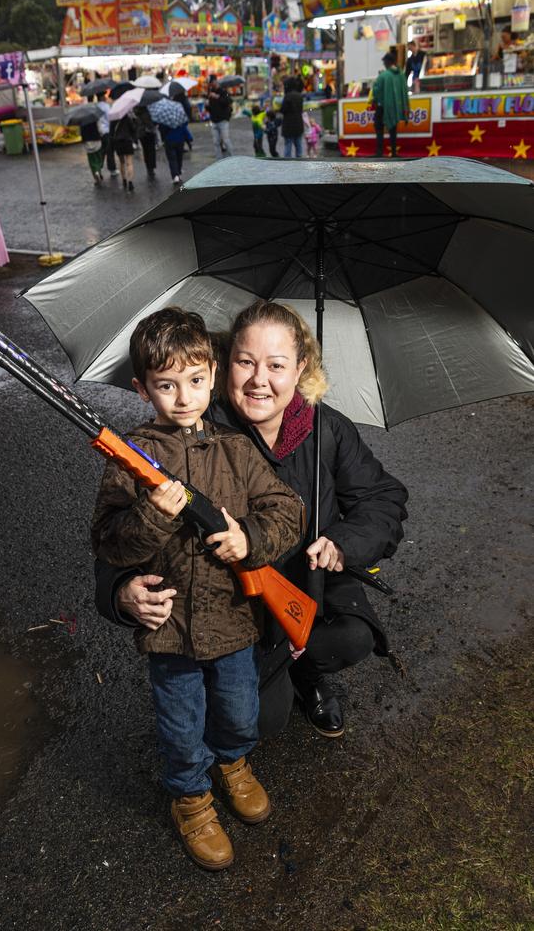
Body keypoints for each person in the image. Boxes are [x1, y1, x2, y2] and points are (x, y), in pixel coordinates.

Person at [94, 302, 408, 744]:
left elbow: (383, 499)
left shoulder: (328, 429)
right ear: (225, 365)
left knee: (352, 637)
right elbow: (116, 532)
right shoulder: (192, 430)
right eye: (246, 362)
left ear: (301, 368)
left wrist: (342, 542)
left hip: (308, 585)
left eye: (276, 365)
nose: (259, 379)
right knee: (258, 721)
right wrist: (120, 590)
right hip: (233, 603)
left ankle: (307, 675)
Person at [90, 308, 303, 871]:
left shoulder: (236, 449)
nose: (183, 397)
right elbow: (109, 541)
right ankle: (192, 798)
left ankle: (233, 764)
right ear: (141, 389)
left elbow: (287, 509)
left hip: (233, 621)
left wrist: (248, 539)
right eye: (165, 384)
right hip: (170, 631)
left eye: (194, 380)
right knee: (180, 725)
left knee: (239, 711)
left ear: (212, 374)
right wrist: (154, 517)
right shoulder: (132, 459)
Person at [372, 52, 410, 158]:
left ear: (388, 62)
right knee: (393, 129)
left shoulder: (383, 75)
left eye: (384, 62)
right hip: (395, 107)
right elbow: (404, 91)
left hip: (382, 106)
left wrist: (376, 100)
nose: (383, 64)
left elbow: (376, 91)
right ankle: (393, 152)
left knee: (379, 128)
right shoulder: (401, 75)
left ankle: (379, 152)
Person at [80, 96, 117, 185]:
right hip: (97, 139)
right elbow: (100, 127)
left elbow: (80, 133)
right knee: (99, 155)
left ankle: (96, 172)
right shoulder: (95, 117)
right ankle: (101, 169)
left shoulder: (82, 121)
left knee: (91, 159)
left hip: (87, 142)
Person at [206, 76, 234, 159]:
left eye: (211, 82)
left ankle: (232, 157)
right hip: (214, 120)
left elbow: (228, 101)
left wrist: (217, 97)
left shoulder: (223, 91)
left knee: (226, 140)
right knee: (216, 142)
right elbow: (211, 108)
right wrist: (207, 106)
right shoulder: (211, 92)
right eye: (209, 83)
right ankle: (219, 160)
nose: (210, 85)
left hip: (223, 120)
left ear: (215, 81)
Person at [110, 111, 138, 192]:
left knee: (122, 162)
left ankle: (124, 180)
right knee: (129, 163)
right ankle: (130, 182)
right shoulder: (127, 118)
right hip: (127, 141)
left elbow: (111, 133)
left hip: (118, 143)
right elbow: (133, 129)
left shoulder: (113, 119)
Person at [280, 77, 304, 158]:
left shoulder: (287, 96)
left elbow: (283, 110)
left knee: (288, 146)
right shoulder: (299, 96)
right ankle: (300, 163)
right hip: (298, 124)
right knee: (299, 146)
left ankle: (288, 165)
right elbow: (301, 109)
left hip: (288, 125)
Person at [134, 105, 157, 180]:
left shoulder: (136, 111)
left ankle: (148, 166)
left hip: (141, 133)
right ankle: (151, 167)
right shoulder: (148, 112)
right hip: (149, 132)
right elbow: (152, 122)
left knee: (145, 150)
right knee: (151, 150)